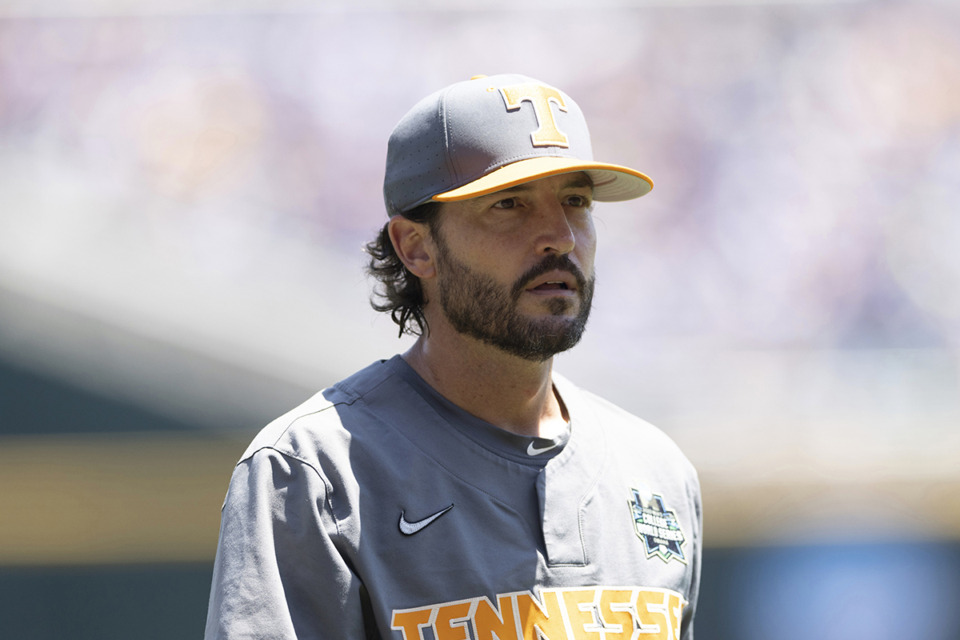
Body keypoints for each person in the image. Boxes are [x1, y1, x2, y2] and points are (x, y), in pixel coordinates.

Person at [204, 73, 701, 640]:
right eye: (510, 204)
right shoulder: (313, 471)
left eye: (576, 201)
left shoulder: (657, 472)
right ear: (416, 246)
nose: (560, 237)